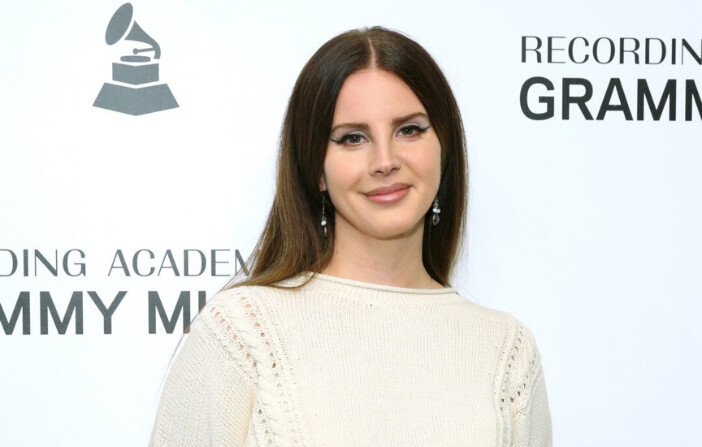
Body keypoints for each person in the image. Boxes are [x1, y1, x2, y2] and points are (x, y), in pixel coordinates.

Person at [149, 26, 552, 446]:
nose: (385, 160)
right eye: (353, 138)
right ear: (316, 169)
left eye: (409, 130)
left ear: (444, 146)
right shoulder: (241, 333)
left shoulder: (507, 350)